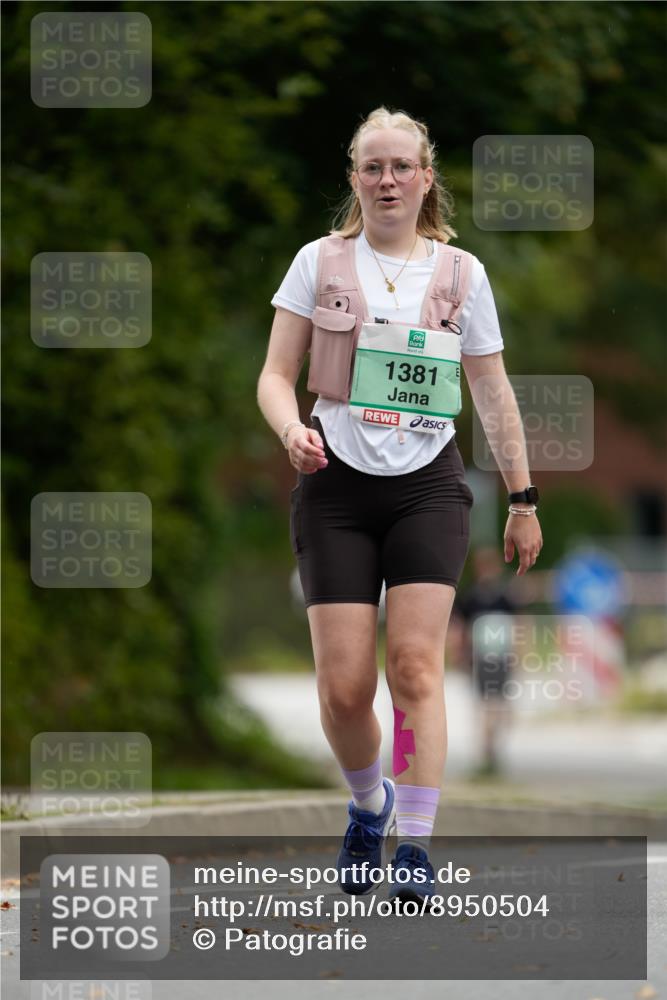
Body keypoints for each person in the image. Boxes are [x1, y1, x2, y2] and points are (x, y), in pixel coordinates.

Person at [257, 106, 542, 910]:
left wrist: (521, 497)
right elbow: (275, 374)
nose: (387, 180)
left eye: (401, 167)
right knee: (343, 690)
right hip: (335, 483)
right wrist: (289, 430)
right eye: (371, 167)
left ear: (425, 177)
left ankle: (413, 839)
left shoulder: (460, 275)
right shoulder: (319, 262)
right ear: (354, 178)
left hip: (425, 485)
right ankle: (367, 805)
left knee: (414, 666)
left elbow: (490, 391)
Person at [455, 546, 519, 779]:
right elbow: (460, 628)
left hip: (501, 657)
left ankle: (492, 744)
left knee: (500, 704)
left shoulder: (506, 596)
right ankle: (485, 748)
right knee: (483, 703)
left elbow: (519, 625)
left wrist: (519, 653)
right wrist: (460, 653)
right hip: (480, 658)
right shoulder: (470, 597)